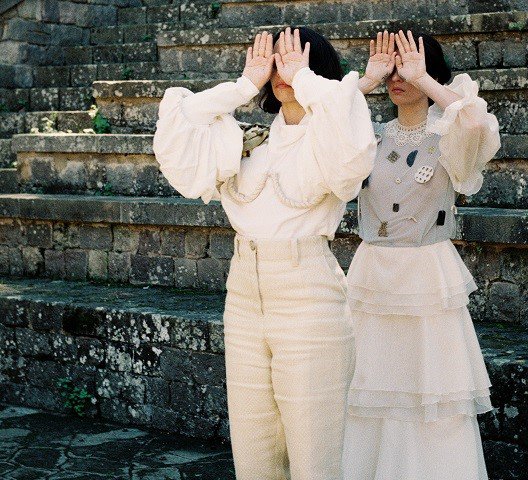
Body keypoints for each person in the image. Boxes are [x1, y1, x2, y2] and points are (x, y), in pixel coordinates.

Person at [152, 26, 377, 480]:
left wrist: (304, 79)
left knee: (318, 448)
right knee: (255, 448)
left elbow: (349, 140)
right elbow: (176, 134)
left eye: (295, 58)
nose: (282, 71)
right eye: (276, 62)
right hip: (243, 295)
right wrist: (242, 86)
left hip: (309, 296)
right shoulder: (244, 141)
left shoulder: (334, 131)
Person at [342, 30, 501, 479]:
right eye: (391, 67)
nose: (398, 76)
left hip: (428, 275)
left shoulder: (449, 134)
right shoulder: (366, 136)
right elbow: (319, 121)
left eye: (407, 65)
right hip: (373, 272)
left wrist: (425, 80)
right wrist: (366, 83)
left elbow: (475, 124)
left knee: (432, 391)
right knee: (370, 388)